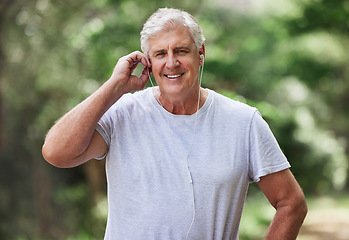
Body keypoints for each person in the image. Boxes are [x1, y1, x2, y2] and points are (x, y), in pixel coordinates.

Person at [42, 8, 307, 240]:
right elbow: (56, 152)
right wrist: (114, 87)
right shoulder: (122, 113)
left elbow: (291, 203)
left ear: (200, 54)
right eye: (160, 53)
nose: (171, 62)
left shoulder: (243, 122)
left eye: (181, 50)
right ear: (148, 61)